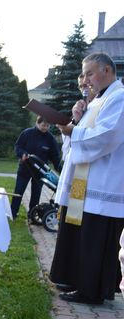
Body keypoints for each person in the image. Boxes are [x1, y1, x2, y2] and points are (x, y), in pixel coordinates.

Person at [50, 52, 124, 305]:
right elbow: (75, 142)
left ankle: (91, 290)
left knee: (95, 238)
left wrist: (74, 130)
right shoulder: (98, 101)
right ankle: (74, 278)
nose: (86, 80)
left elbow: (108, 136)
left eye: (89, 73)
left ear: (106, 70)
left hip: (104, 182)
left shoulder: (119, 98)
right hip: (86, 182)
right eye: (84, 74)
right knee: (80, 233)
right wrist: (75, 122)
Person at [9, 116, 61, 219]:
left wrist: (60, 169)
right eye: (43, 125)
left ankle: (32, 215)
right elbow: (18, 146)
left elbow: (55, 156)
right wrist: (22, 153)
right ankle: (13, 214)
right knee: (18, 192)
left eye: (47, 126)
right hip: (25, 168)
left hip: (40, 171)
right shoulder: (27, 133)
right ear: (37, 123)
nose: (45, 127)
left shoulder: (50, 138)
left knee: (36, 194)